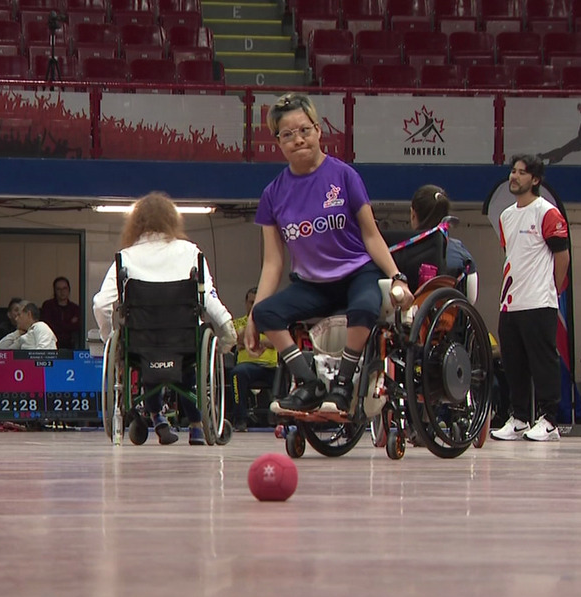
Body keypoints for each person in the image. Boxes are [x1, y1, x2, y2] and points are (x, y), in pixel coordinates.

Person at [246, 92, 412, 418]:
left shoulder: (344, 176)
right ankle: (309, 384)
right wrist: (253, 316)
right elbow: (273, 262)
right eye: (288, 134)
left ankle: (344, 384)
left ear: (319, 130)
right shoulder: (272, 194)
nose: (298, 139)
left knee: (364, 307)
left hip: (356, 273)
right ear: (278, 142)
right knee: (266, 313)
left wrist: (396, 276)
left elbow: (370, 234)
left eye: (304, 130)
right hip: (311, 284)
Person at [92, 192, 237, 445]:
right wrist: (227, 332)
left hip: (142, 344)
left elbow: (101, 304)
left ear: (135, 223)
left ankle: (156, 416)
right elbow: (209, 300)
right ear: (172, 220)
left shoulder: (125, 257)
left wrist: (109, 340)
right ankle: (195, 425)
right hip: (185, 343)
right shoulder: (191, 252)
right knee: (194, 340)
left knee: (144, 346)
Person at [491, 155, 570, 442]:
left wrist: (551, 289)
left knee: (543, 363)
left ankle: (549, 420)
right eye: (512, 171)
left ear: (535, 180)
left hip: (540, 302)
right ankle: (520, 417)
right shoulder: (506, 216)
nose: (514, 177)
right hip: (510, 302)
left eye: (521, 173)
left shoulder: (546, 213)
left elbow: (562, 257)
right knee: (513, 363)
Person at [409, 184, 478, 302]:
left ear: (413, 214)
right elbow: (470, 299)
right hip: (449, 317)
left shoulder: (398, 253)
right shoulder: (460, 253)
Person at [229, 287, 278, 432]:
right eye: (251, 302)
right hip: (247, 367)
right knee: (236, 374)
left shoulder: (273, 323)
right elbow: (235, 340)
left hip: (271, 367)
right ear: (246, 303)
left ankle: (281, 419)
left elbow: (278, 342)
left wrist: (254, 342)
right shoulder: (238, 324)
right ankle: (240, 420)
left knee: (285, 373)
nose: (254, 306)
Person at [40, 276, 82, 350]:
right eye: (58, 289)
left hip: (70, 346)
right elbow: (48, 327)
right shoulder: (48, 306)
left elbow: (77, 327)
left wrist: (60, 325)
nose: (62, 292)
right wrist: (69, 323)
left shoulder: (75, 308)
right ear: (54, 291)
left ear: (69, 290)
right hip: (51, 345)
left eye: (64, 288)